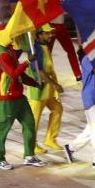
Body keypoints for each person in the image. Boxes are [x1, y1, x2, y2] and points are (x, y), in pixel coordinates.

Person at [0, 39, 42, 170]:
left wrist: (35, 83)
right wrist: (27, 62)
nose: (15, 38)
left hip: (19, 97)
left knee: (29, 123)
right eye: (12, 36)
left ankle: (29, 155)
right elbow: (13, 74)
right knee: (3, 129)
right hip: (7, 99)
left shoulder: (11, 51)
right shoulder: (1, 54)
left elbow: (20, 75)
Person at [28, 25, 65, 153]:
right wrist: (55, 84)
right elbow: (39, 70)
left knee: (57, 109)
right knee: (34, 119)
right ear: (39, 35)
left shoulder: (44, 47)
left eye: (50, 33)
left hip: (47, 89)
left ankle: (50, 139)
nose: (50, 35)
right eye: (47, 33)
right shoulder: (35, 49)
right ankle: (31, 145)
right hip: (38, 89)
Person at [67, 65, 95, 167]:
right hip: (92, 98)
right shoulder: (88, 59)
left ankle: (71, 147)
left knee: (92, 129)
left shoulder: (92, 58)